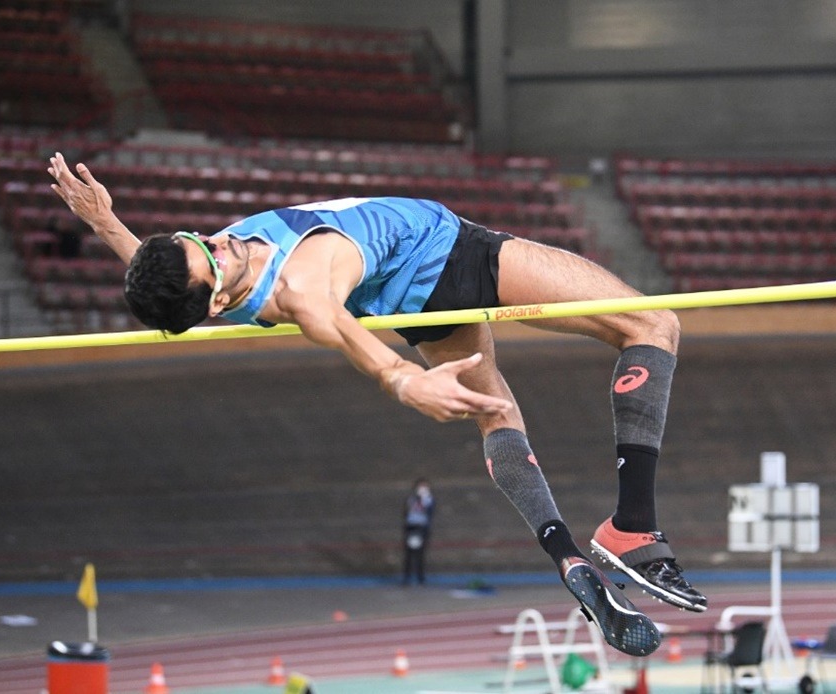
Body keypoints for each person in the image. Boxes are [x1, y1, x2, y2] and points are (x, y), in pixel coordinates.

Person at [48, 152, 706, 658]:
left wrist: (107, 223)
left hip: (407, 298)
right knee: (652, 325)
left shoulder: (206, 284)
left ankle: (566, 555)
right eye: (214, 259)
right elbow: (339, 330)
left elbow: (173, 292)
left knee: (495, 410)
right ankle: (632, 526)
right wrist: (402, 380)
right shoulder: (303, 291)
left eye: (204, 239)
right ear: (218, 302)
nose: (224, 244)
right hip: (451, 252)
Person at [402, 477, 435, 586]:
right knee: (409, 554)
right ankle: (407, 577)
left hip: (422, 528)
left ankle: (420, 577)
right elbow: (407, 512)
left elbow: (430, 511)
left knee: (420, 554)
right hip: (411, 527)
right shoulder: (412, 499)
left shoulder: (428, 499)